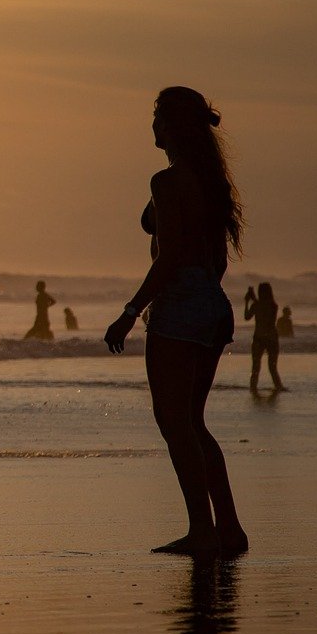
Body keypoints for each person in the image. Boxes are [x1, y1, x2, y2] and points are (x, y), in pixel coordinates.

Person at [104, 88, 247, 558]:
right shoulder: (209, 182)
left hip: (181, 306)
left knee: (174, 423)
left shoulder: (167, 183)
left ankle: (202, 531)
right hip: (211, 303)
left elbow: (167, 258)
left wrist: (129, 314)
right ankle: (227, 528)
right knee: (193, 423)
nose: (152, 125)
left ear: (169, 126)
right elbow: (214, 260)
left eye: (156, 116)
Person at [242, 281, 283, 392]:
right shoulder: (272, 305)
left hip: (261, 339)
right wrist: (250, 301)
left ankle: (254, 388)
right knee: (269, 368)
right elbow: (250, 315)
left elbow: (249, 316)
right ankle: (278, 387)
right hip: (270, 339)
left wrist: (249, 301)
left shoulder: (264, 305)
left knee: (258, 367)